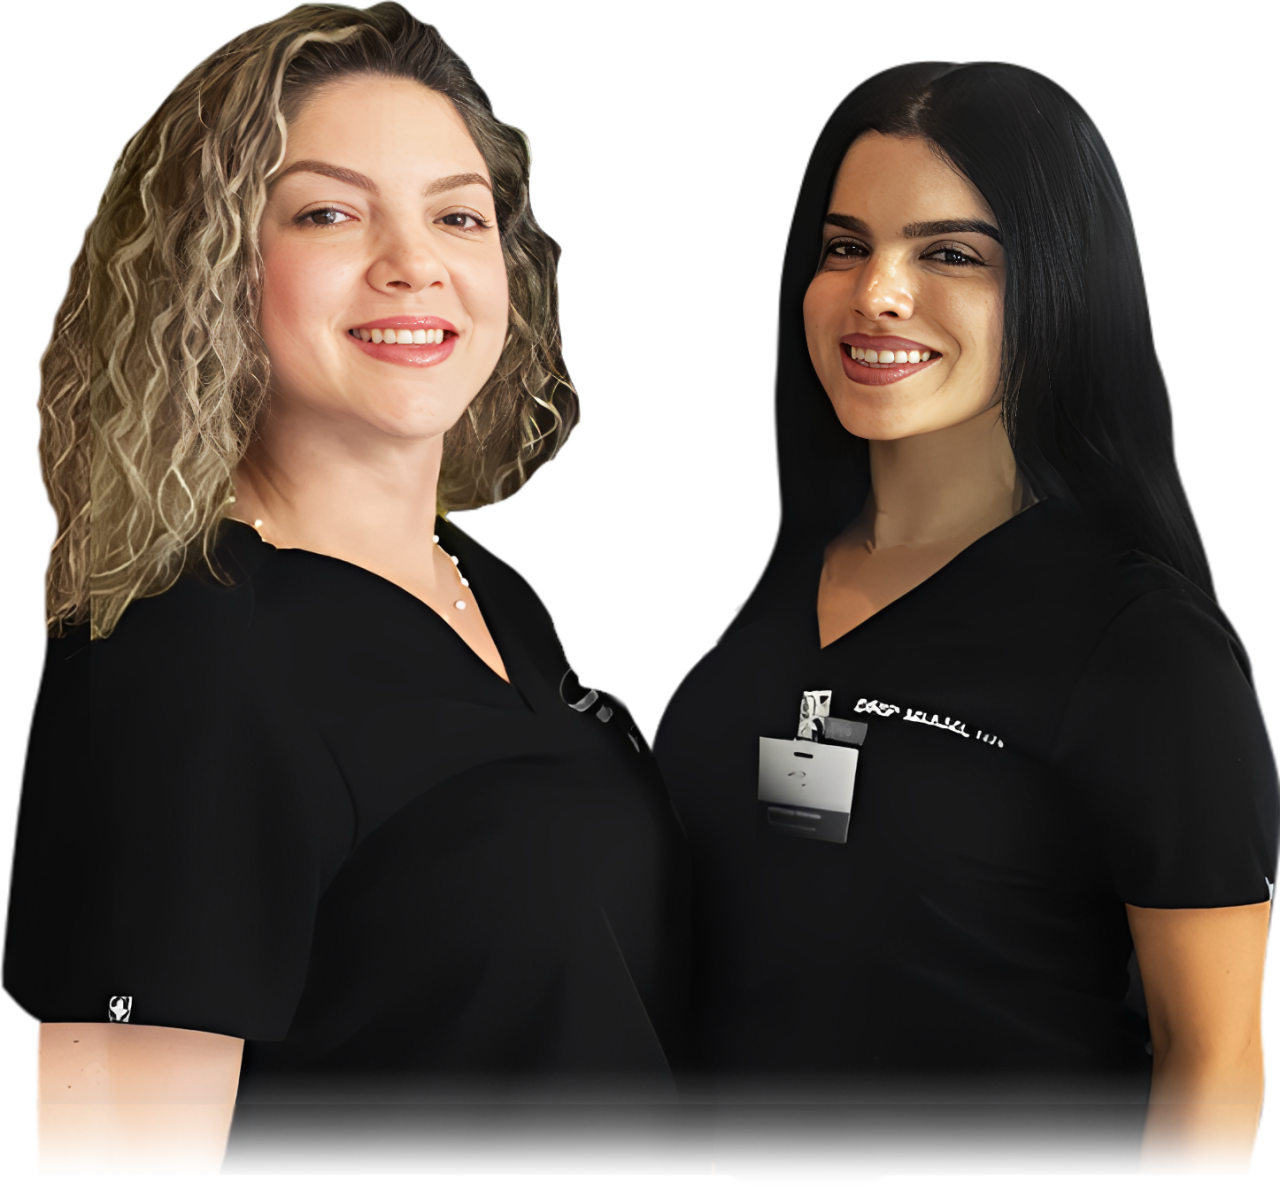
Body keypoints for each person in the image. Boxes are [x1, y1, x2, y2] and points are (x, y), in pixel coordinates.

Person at [0, 3, 700, 1176]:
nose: (413, 263)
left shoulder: (486, 591)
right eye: (329, 212)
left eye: (457, 215)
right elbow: (120, 1161)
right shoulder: (182, 654)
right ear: (215, 267)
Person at [651, 59, 1277, 1183]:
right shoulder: (783, 594)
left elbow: (1213, 1053)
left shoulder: (1143, 646)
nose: (875, 292)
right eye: (844, 247)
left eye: (950, 254)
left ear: (1060, 285)